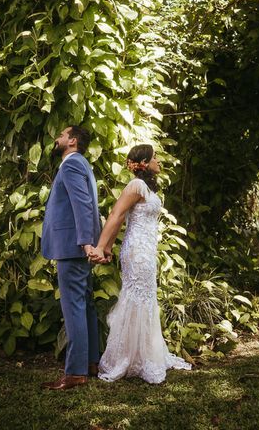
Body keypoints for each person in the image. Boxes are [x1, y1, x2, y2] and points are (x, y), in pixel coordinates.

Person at [88, 144, 192, 384]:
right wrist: (101, 247)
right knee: (136, 299)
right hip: (137, 253)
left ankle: (143, 355)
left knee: (145, 300)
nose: (159, 161)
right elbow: (116, 215)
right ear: (144, 162)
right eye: (155, 157)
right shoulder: (136, 185)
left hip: (146, 251)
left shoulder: (147, 187)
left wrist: (106, 248)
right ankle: (124, 358)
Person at [40, 126, 101, 391]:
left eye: (62, 135)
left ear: (72, 141)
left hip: (72, 247)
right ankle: (90, 363)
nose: (58, 138)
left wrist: (86, 242)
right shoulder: (82, 164)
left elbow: (82, 203)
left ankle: (75, 372)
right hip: (77, 246)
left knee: (73, 306)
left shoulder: (71, 165)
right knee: (84, 304)